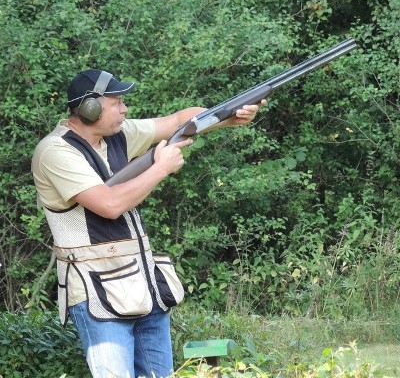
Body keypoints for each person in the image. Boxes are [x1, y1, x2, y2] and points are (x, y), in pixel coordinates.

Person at [32, 69, 264, 378]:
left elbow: (181, 120)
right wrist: (160, 168)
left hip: (143, 288)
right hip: (98, 295)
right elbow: (109, 205)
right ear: (90, 107)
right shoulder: (56, 151)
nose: (124, 109)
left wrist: (229, 115)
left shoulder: (118, 134)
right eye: (117, 102)